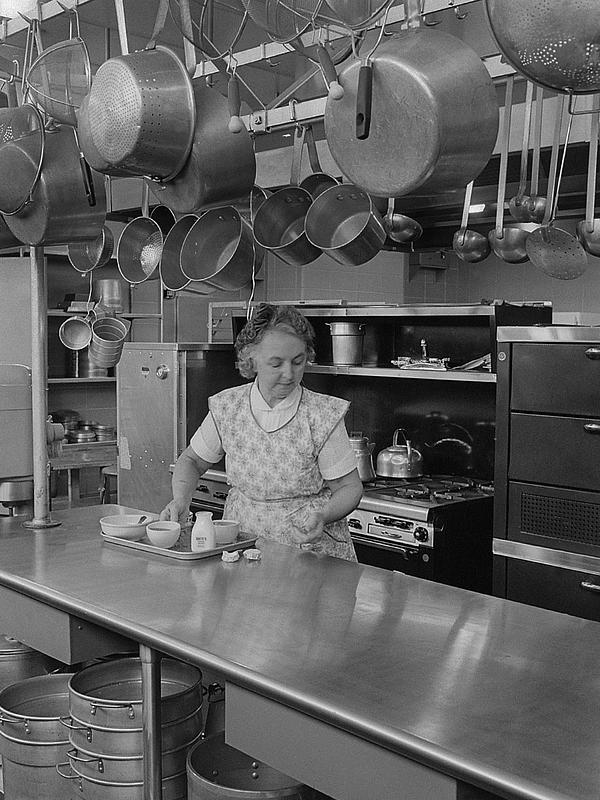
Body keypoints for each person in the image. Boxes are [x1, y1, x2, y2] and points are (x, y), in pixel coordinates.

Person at [160, 303, 363, 561]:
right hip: (244, 549)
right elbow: (191, 461)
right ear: (251, 360)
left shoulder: (322, 415)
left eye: (298, 361)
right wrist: (181, 500)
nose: (289, 374)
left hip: (309, 554)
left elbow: (349, 487)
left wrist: (324, 515)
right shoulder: (228, 408)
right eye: (276, 363)